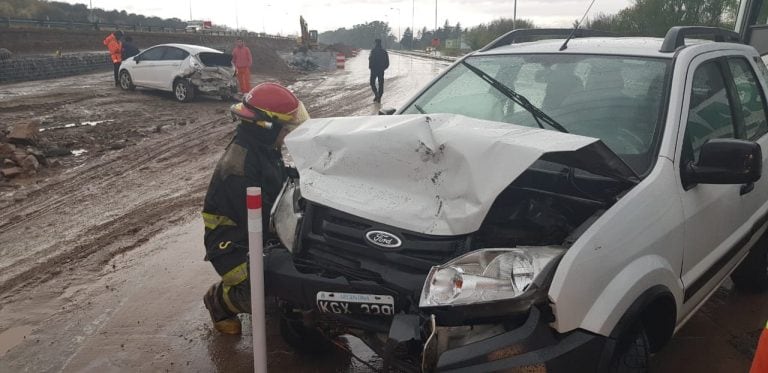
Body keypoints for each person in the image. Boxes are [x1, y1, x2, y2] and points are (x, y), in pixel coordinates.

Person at [201, 82, 310, 335]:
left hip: (254, 230)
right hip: (231, 245)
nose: (288, 135)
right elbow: (261, 223)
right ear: (266, 127)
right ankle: (221, 301)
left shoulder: (264, 147)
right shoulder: (239, 168)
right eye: (286, 129)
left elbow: (279, 185)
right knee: (276, 291)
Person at [368, 38, 389, 103]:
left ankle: (376, 94)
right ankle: (379, 97)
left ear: (376, 43)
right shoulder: (384, 52)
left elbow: (370, 59)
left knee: (372, 83)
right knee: (381, 84)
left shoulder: (373, 51)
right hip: (381, 70)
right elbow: (387, 63)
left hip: (374, 70)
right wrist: (383, 68)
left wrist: (370, 67)